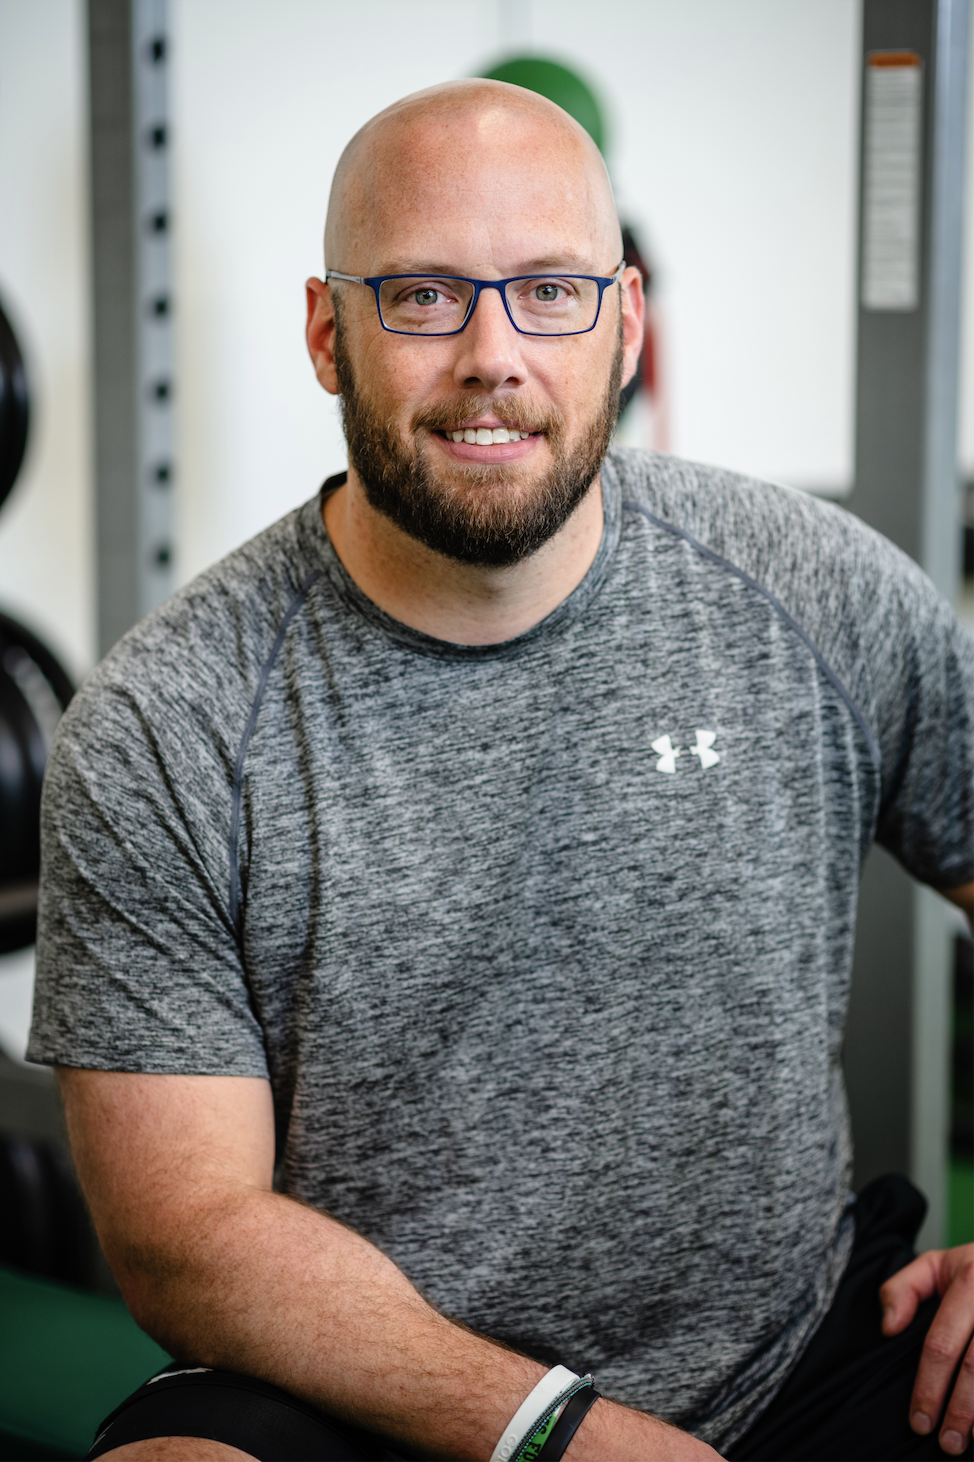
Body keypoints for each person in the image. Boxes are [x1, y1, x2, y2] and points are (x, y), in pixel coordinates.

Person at [28, 80, 973, 1462]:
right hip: (369, 1392)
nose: (491, 353)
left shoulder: (806, 591)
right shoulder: (168, 719)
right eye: (420, 295)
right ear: (324, 331)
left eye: (549, 291)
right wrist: (556, 1432)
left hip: (792, 1360)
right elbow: (185, 1238)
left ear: (625, 325)